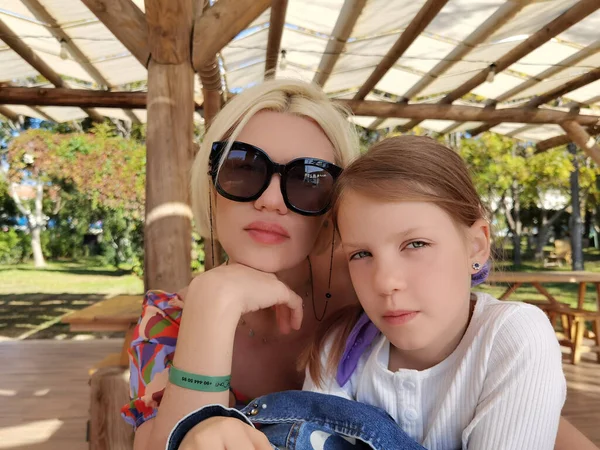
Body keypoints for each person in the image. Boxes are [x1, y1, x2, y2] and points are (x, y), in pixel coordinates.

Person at [122, 78, 596, 450]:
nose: (270, 200)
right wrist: (213, 302)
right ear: (211, 185)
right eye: (243, 166)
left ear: (338, 206)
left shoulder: (372, 298)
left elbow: (503, 399)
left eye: (309, 180)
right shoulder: (167, 321)